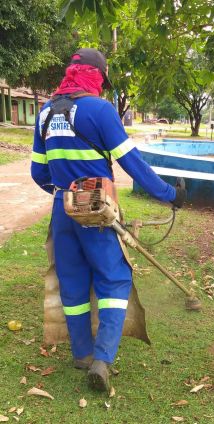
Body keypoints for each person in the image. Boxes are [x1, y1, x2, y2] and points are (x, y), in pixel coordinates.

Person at [31, 48, 186, 392]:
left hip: (63, 210)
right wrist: (169, 195)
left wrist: (66, 195)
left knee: (71, 282)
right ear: (97, 77)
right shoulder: (100, 110)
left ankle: (82, 354)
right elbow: (134, 165)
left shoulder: (44, 112)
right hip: (97, 212)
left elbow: (37, 172)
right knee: (114, 279)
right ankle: (102, 359)